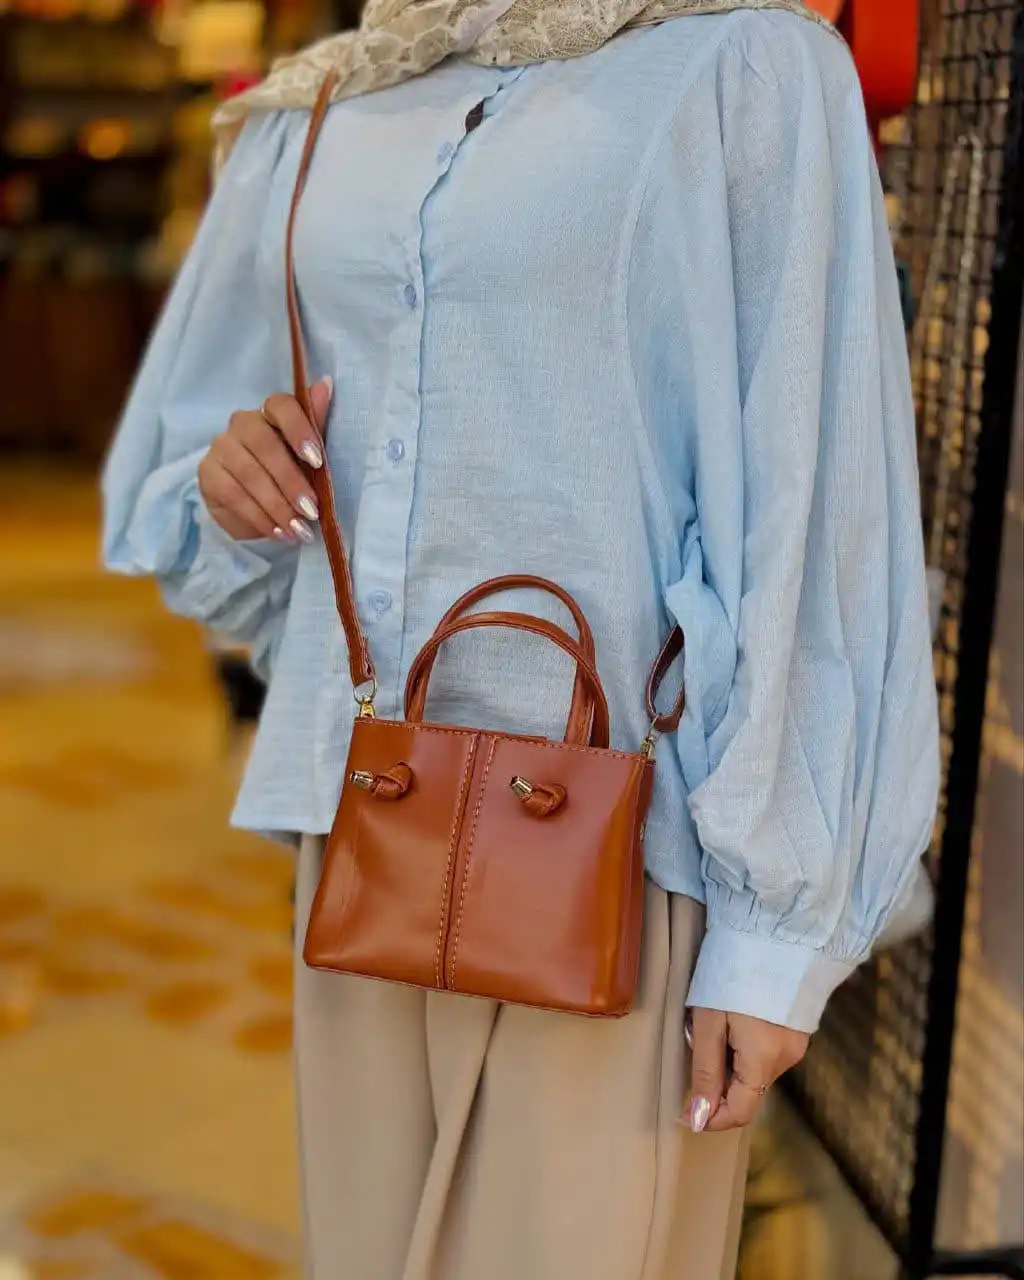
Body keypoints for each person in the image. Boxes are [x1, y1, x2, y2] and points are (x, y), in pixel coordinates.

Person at [101, 0, 940, 1272]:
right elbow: (202, 486)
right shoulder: (325, 101)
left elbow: (815, 511)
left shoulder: (740, 67)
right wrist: (237, 484)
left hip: (618, 840)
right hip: (367, 824)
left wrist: (777, 938)